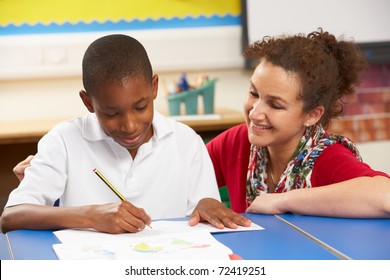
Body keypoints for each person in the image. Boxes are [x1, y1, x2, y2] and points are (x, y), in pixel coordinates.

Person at [0, 34, 250, 234]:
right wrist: (92, 216)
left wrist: (206, 207)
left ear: (154, 88)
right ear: (88, 102)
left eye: (140, 107)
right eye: (111, 113)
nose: (130, 125)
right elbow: (11, 216)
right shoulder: (64, 141)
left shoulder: (186, 142)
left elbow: (203, 211)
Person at [206, 28, 390, 218]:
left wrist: (283, 200)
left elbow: (386, 196)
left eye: (275, 105)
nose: (255, 113)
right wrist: (203, 202)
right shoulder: (237, 140)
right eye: (254, 94)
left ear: (312, 114)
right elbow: (183, 175)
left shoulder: (327, 157)